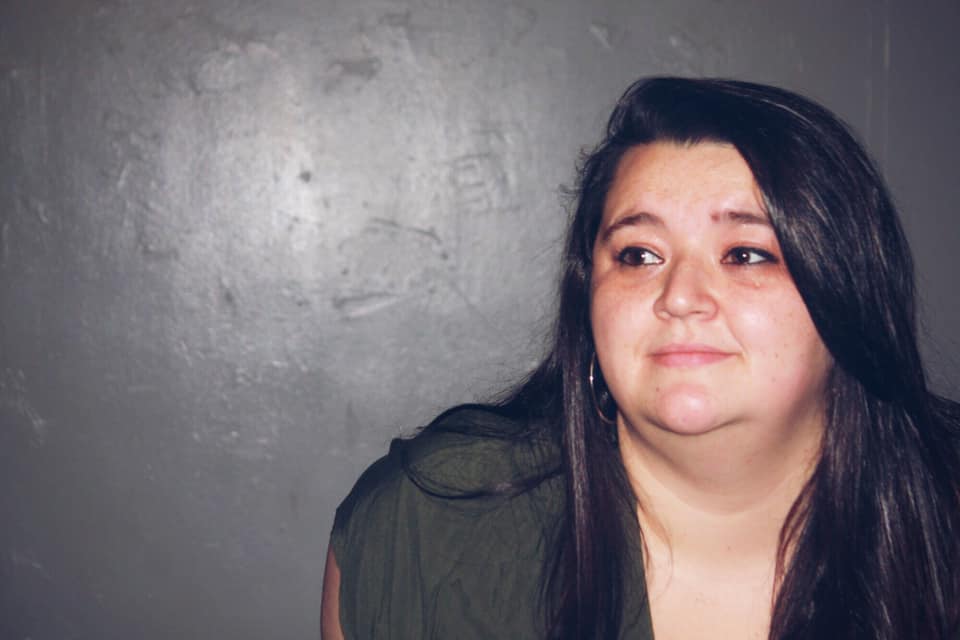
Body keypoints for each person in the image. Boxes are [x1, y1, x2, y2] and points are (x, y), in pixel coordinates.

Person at [320, 77, 960, 639]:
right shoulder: (432, 526)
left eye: (744, 254)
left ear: (849, 294)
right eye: (638, 255)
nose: (679, 297)